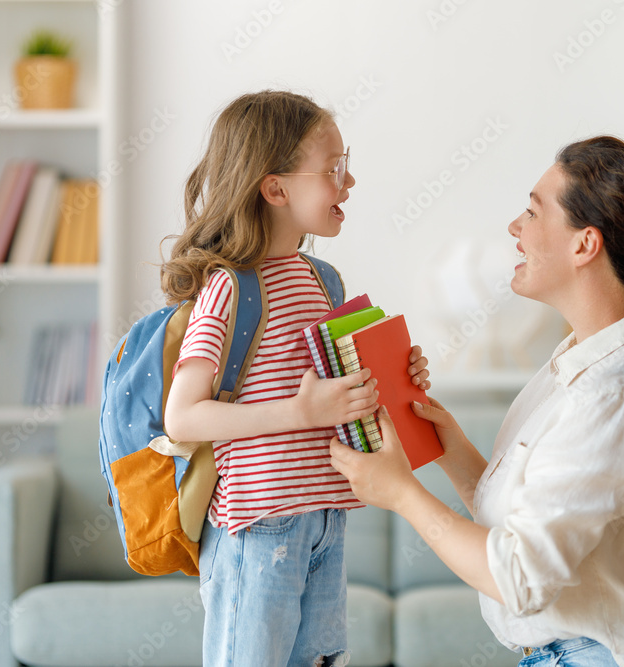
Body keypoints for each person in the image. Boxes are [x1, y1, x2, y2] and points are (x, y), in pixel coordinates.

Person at [331, 135, 624, 667]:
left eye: (532, 211)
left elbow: (520, 577)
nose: (514, 229)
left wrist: (402, 495)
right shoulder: (582, 359)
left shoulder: (615, 395)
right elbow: (534, 525)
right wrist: (450, 446)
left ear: (584, 245)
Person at [160, 90, 431, 667]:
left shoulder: (323, 279)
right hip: (257, 528)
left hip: (325, 521)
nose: (350, 181)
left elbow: (339, 399)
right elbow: (183, 415)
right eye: (334, 169)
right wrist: (300, 412)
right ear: (275, 188)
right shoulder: (229, 287)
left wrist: (393, 379)